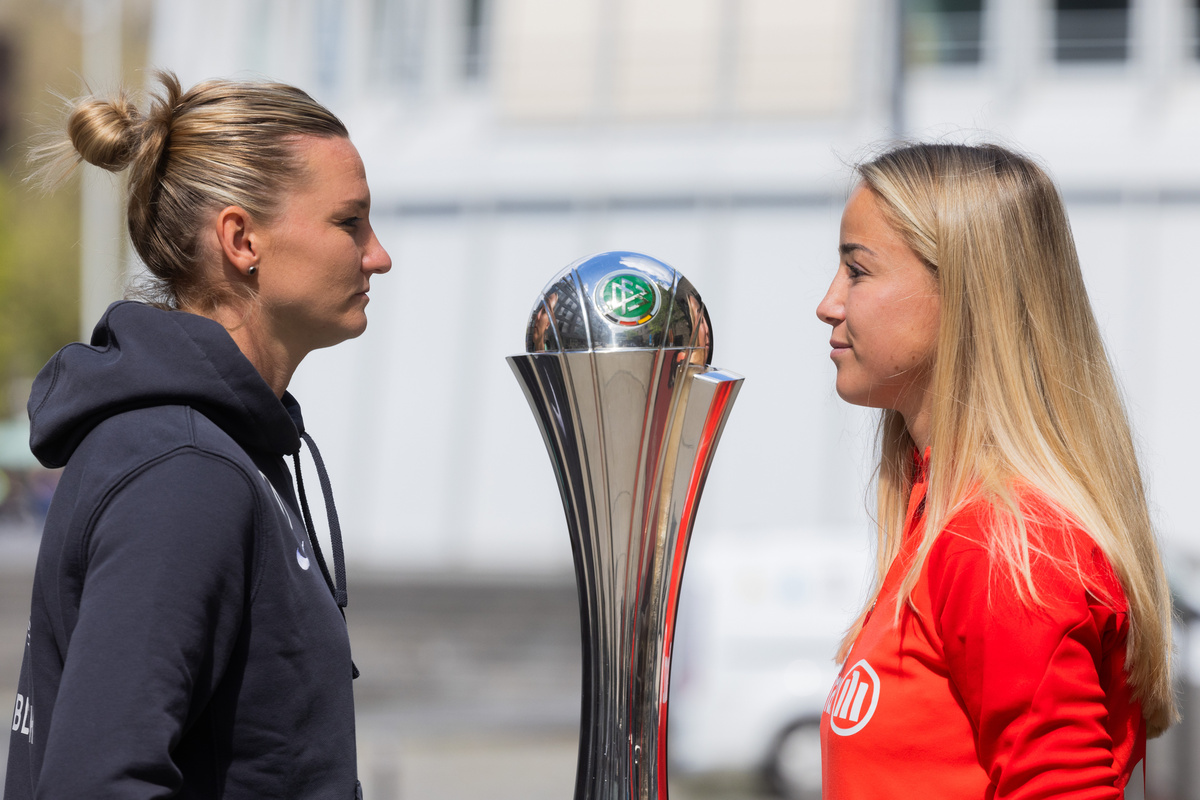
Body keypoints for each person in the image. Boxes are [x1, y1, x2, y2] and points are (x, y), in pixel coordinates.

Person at [5, 71, 391, 798]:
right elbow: (98, 783)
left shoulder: (218, 450)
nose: (378, 255)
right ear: (242, 238)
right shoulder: (184, 471)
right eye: (350, 223)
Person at [815, 142, 1174, 798]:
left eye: (857, 271)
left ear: (964, 290)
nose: (829, 304)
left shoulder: (1004, 545)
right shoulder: (943, 516)